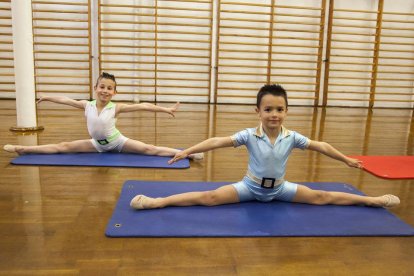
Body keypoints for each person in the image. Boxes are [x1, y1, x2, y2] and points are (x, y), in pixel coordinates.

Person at [130, 84, 400, 210]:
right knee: (208, 198)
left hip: (280, 189)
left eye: (280, 109)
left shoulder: (291, 136)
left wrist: (346, 160)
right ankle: (157, 202)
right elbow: (218, 141)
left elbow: (321, 145)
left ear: (286, 111)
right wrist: (188, 151)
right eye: (268, 109)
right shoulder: (249, 135)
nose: (274, 114)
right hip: (250, 187)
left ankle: (372, 201)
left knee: (322, 196)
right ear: (258, 111)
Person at [3, 72, 203, 161]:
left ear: (114, 92)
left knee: (150, 149)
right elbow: (65, 99)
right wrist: (47, 97)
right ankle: (23, 149)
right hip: (97, 144)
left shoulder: (116, 108)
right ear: (95, 88)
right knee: (63, 147)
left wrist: (165, 109)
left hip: (117, 142)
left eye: (110, 88)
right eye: (102, 87)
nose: (105, 91)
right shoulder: (86, 105)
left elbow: (142, 106)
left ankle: (189, 153)